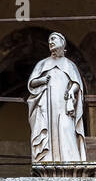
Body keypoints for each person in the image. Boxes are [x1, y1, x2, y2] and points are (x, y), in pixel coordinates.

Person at [26, 32, 88, 163]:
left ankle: (70, 159)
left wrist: (72, 90)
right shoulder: (42, 64)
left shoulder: (69, 64)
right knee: (48, 129)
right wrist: (41, 80)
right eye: (49, 40)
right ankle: (48, 158)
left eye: (53, 39)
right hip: (47, 104)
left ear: (62, 42)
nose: (50, 42)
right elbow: (32, 83)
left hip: (64, 104)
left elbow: (77, 83)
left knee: (66, 127)